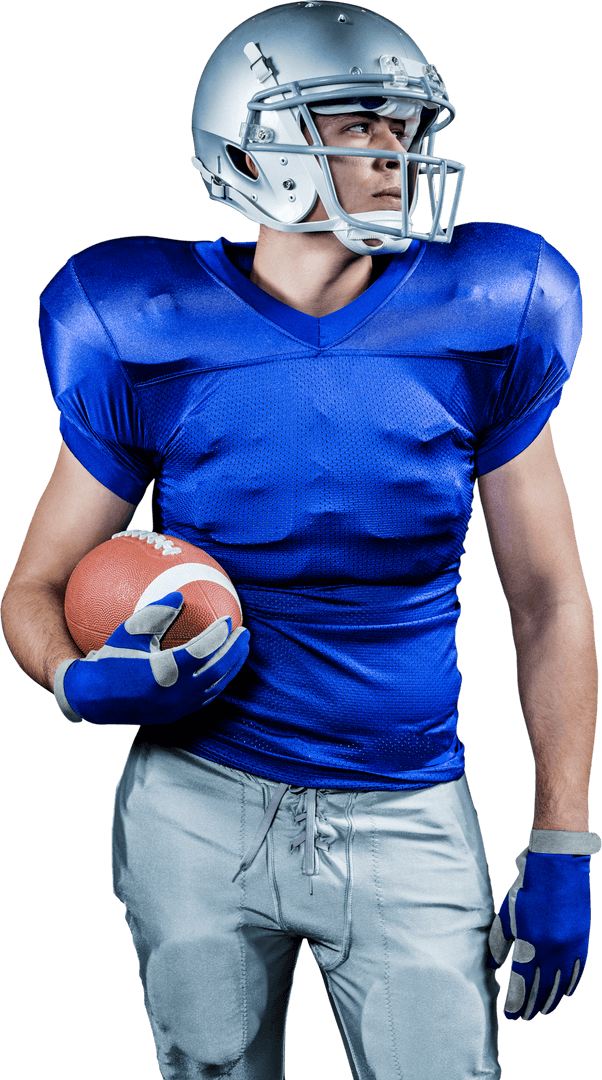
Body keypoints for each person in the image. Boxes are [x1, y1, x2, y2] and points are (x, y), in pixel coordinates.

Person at [2, 3, 598, 1078]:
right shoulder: (142, 320)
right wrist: (69, 679)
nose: (393, 151)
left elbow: (547, 597)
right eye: (353, 120)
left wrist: (563, 835)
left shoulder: (488, 307)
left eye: (404, 124)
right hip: (198, 802)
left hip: (407, 803)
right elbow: (35, 584)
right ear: (243, 147)